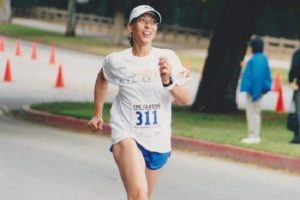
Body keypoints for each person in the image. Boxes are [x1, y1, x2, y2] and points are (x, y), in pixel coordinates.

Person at [87, 5, 191, 200]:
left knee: (144, 197)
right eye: (142, 21)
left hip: (158, 139)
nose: (148, 26)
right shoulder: (116, 60)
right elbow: (102, 77)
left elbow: (185, 99)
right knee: (139, 196)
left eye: (152, 22)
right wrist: (97, 113)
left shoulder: (167, 57)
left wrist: (168, 81)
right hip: (127, 133)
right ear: (130, 27)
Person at [240, 37, 272, 144]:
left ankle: (253, 135)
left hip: (254, 90)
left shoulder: (256, 59)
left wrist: (255, 92)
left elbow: (257, 76)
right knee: (255, 112)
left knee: (252, 113)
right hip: (256, 89)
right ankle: (255, 135)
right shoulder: (261, 58)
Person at [288, 48, 300, 143]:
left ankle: (298, 136)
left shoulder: (297, 54)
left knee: (298, 111)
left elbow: (294, 67)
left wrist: (291, 81)